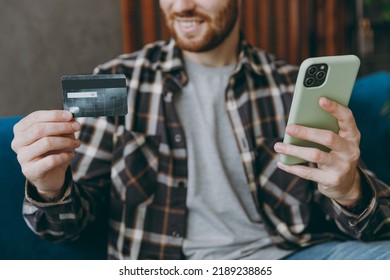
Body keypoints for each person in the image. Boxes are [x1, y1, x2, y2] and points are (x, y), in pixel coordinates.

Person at [11, 0, 390, 260]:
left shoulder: (289, 86)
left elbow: (380, 221)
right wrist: (50, 187)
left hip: (289, 259)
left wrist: (349, 189)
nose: (183, 6)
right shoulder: (118, 81)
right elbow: (68, 228)